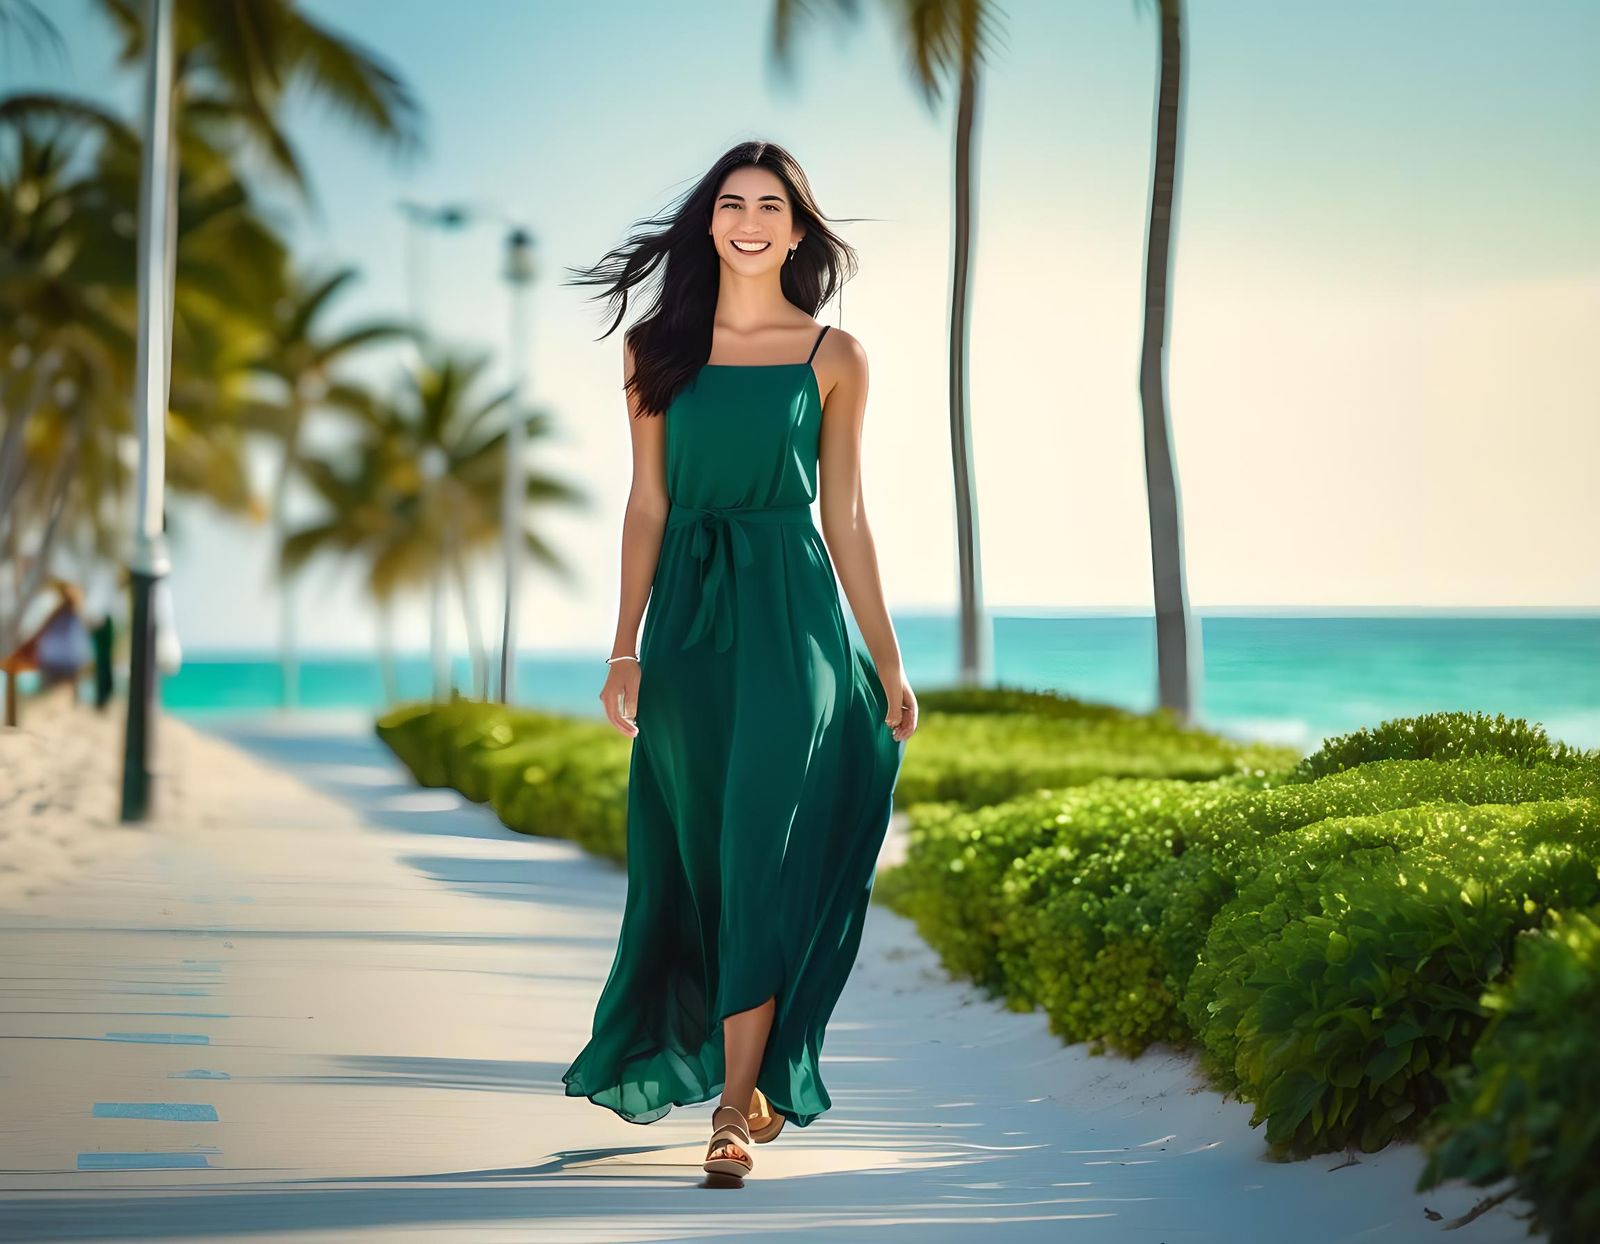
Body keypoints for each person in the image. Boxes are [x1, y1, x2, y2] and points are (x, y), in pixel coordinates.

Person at [559, 140, 919, 1184]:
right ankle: (745, 1068)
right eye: (731, 203)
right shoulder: (654, 348)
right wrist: (623, 645)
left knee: (759, 843)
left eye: (770, 204)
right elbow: (647, 504)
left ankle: (729, 1105)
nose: (749, 219)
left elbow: (844, 516)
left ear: (798, 230)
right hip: (688, 628)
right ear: (708, 223)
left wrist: (885, 661)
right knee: (699, 855)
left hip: (796, 616)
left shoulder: (834, 355)